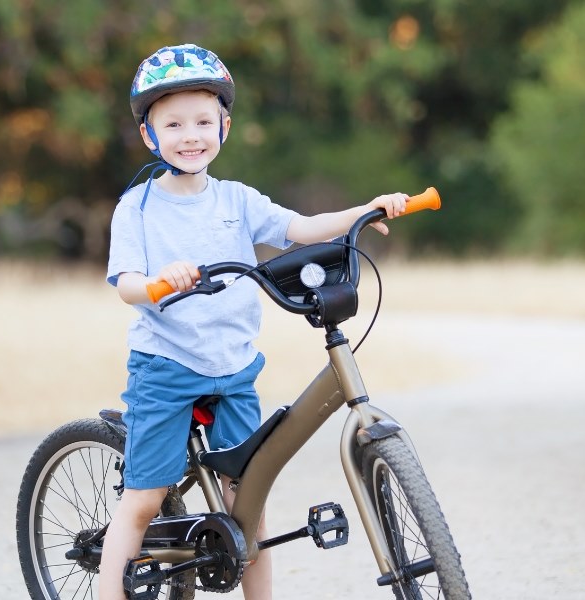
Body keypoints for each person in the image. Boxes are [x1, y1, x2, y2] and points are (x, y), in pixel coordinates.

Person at [99, 43, 409, 600]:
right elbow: (125, 284)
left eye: (203, 121)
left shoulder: (237, 201)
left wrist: (367, 209)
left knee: (250, 504)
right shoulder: (138, 208)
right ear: (149, 136)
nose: (190, 135)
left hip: (234, 367)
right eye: (173, 124)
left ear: (225, 127)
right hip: (166, 366)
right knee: (145, 499)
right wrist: (156, 283)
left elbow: (302, 227)